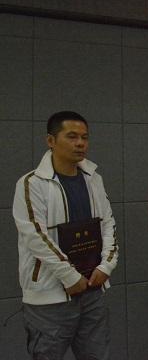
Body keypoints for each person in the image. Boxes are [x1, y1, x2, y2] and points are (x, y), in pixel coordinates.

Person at [13, 111, 118, 360]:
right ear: (51, 141)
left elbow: (108, 224)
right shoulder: (31, 183)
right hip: (50, 297)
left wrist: (106, 265)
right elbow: (36, 236)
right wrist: (70, 276)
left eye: (84, 137)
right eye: (72, 137)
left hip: (92, 289)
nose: (80, 143)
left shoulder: (93, 179)